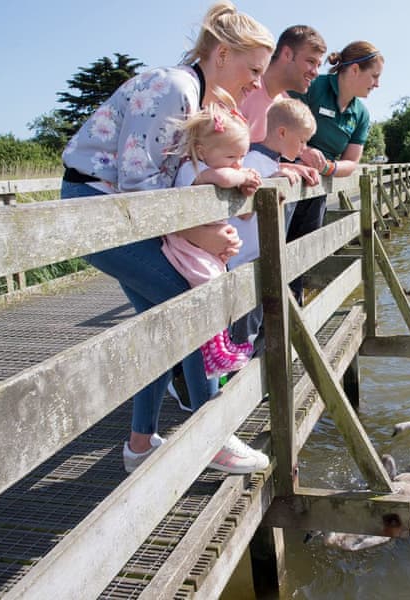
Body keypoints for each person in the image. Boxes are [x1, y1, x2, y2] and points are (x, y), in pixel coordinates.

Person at [59, 1, 275, 475]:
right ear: (222, 53)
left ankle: (140, 444)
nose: (258, 82)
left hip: (114, 209)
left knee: (163, 323)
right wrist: (204, 234)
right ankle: (213, 435)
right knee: (194, 308)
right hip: (96, 208)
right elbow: (142, 188)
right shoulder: (175, 87)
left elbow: (164, 182)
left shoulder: (195, 92)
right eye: (254, 69)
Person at [162, 95, 262, 378]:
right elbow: (226, 179)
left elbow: (241, 210)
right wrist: (243, 177)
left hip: (202, 246)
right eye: (232, 157)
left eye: (242, 157)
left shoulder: (211, 167)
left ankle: (219, 348)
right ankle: (212, 354)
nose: (238, 164)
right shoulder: (191, 170)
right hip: (187, 246)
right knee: (211, 287)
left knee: (218, 286)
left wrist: (242, 178)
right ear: (201, 149)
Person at [287, 41, 384, 302]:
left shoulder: (361, 114)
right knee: (274, 251)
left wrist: (327, 167)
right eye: (374, 76)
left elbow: (351, 161)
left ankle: (292, 315)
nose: (377, 84)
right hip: (286, 183)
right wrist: (301, 150)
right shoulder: (314, 87)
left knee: (303, 254)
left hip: (317, 190)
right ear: (354, 70)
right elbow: (276, 119)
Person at [227, 98, 318, 353]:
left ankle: (246, 383)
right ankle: (232, 384)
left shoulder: (272, 163)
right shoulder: (253, 161)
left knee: (256, 328)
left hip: (262, 263)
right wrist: (269, 184)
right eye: (301, 141)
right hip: (244, 264)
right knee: (242, 334)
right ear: (282, 132)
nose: (303, 148)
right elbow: (241, 214)